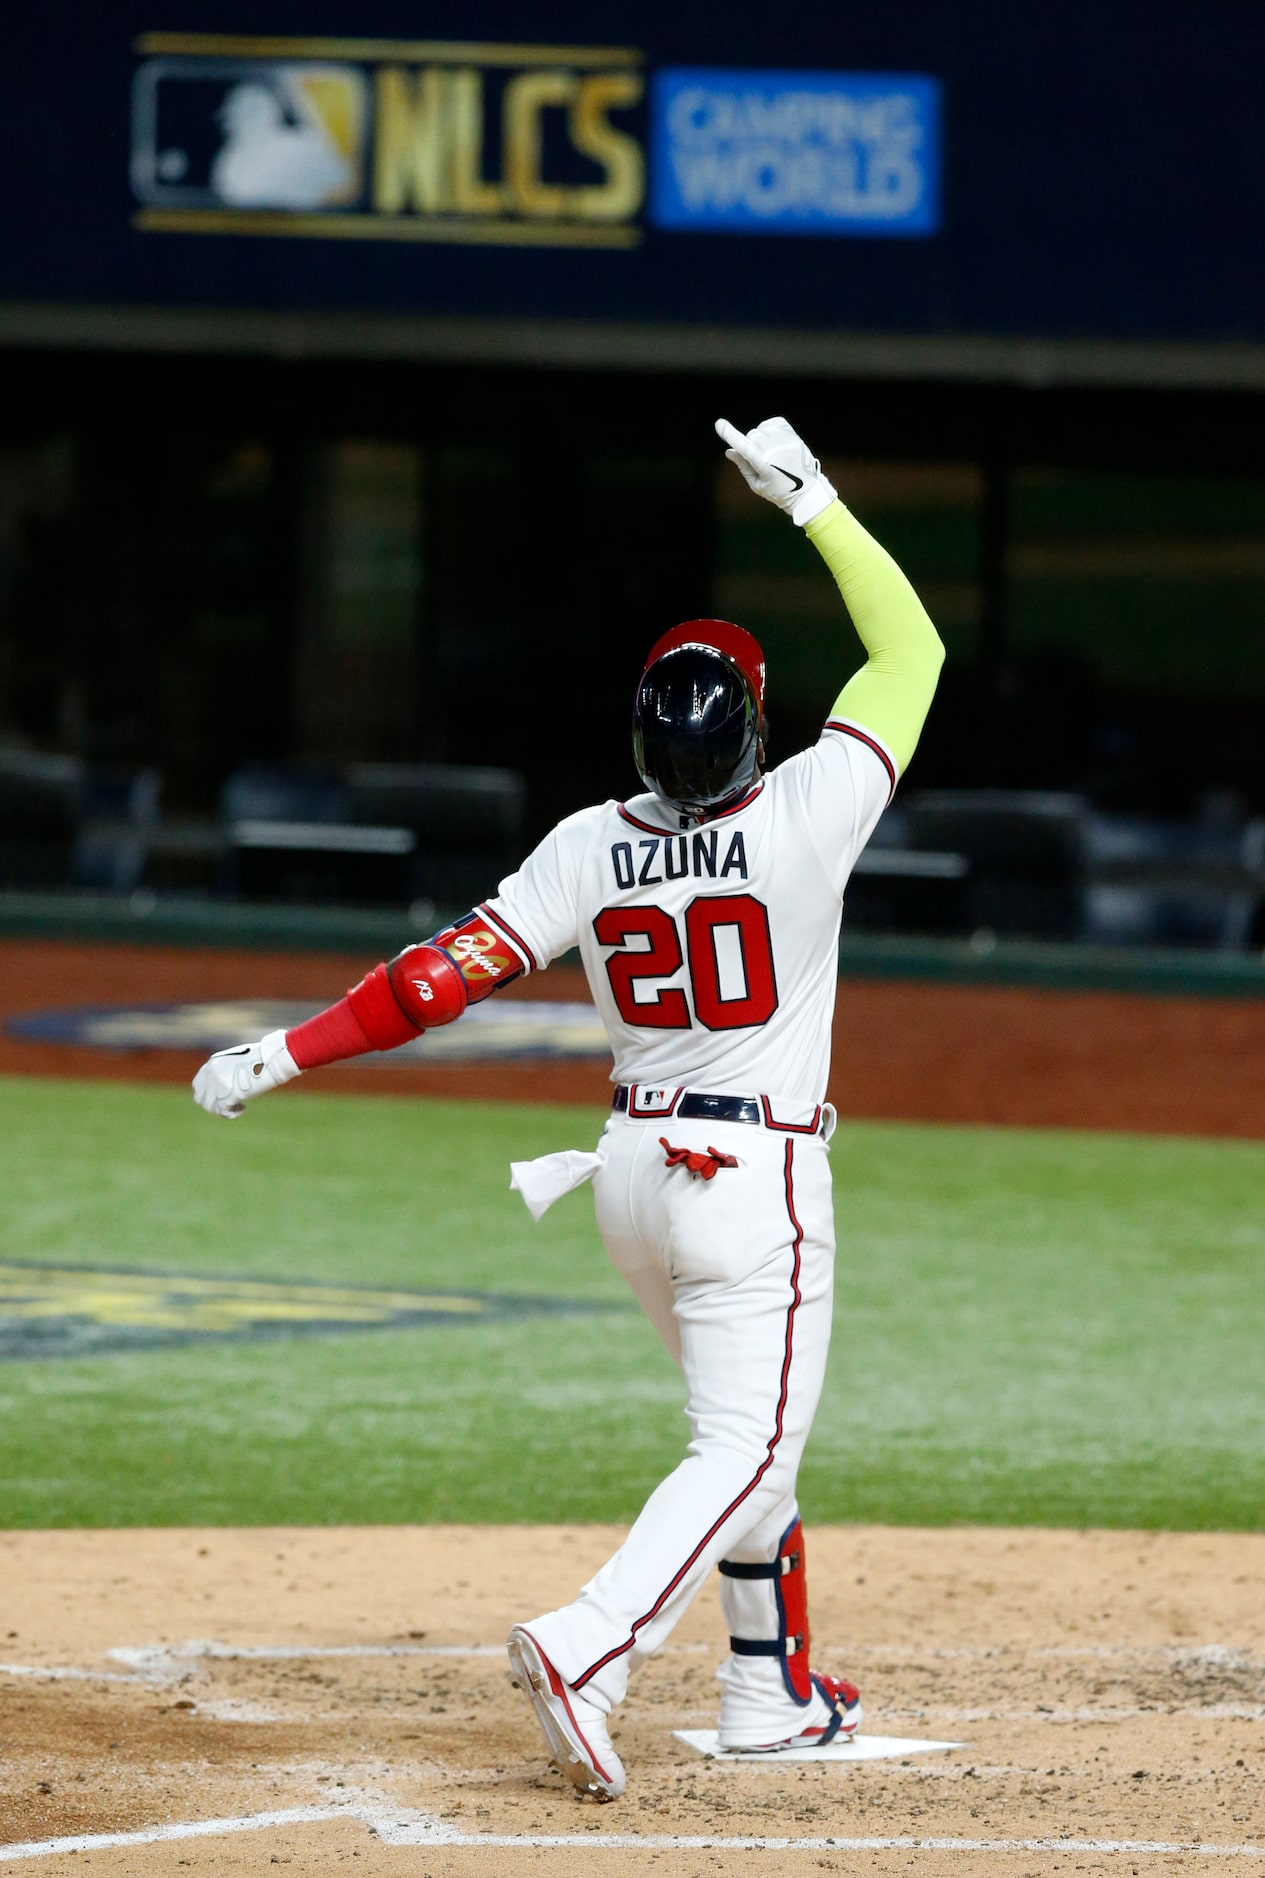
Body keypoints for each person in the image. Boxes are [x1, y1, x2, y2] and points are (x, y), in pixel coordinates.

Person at [192, 415, 945, 1800]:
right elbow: (910, 654)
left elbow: (435, 981)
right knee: (746, 1444)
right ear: (756, 729)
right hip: (751, 1176)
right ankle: (588, 1643)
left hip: (628, 1178)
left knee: (739, 1438)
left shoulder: (587, 844)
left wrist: (286, 1053)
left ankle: (764, 1687)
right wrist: (814, 500)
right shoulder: (808, 811)